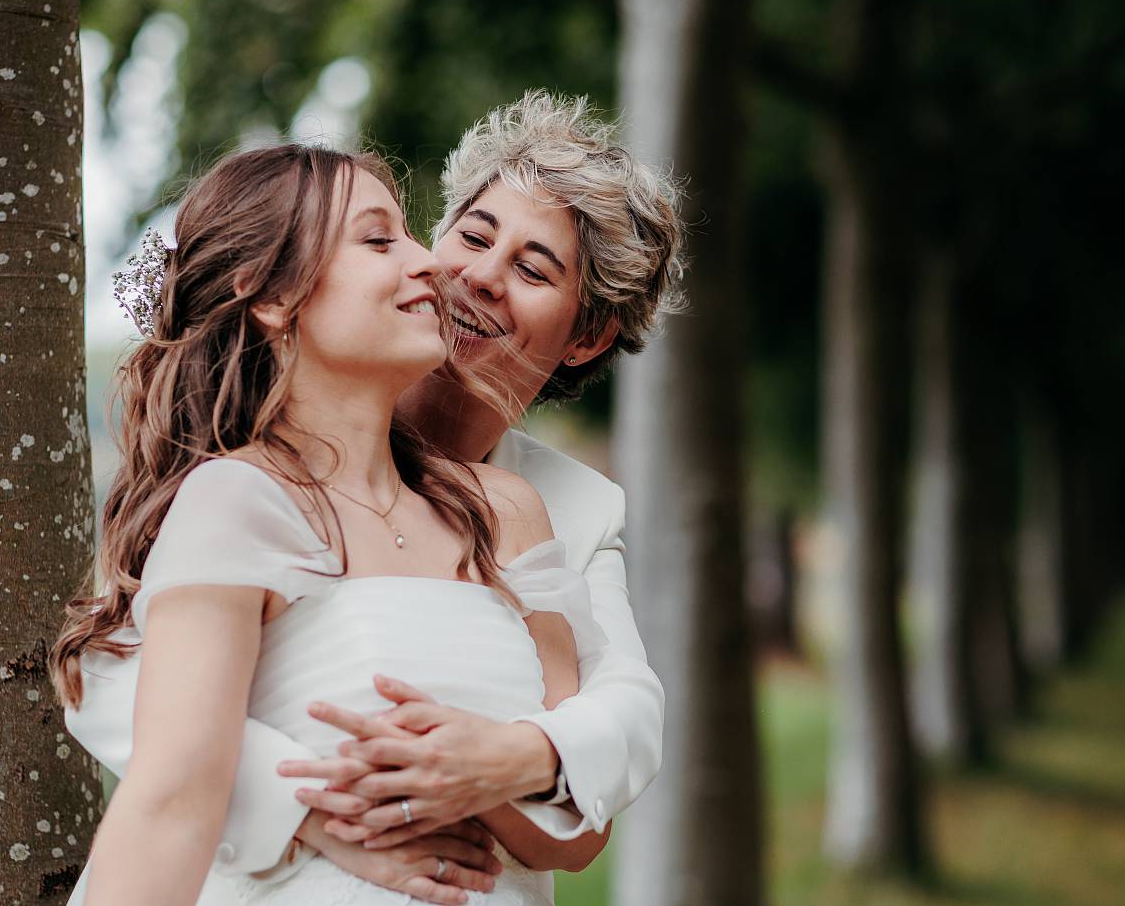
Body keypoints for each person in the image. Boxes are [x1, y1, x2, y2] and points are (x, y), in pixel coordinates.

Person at [60, 91, 684, 904]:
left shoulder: (547, 507)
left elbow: (624, 713)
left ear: (589, 336)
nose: (473, 278)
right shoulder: (238, 472)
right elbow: (117, 674)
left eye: (533, 270)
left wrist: (500, 761)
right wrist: (313, 811)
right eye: (470, 236)